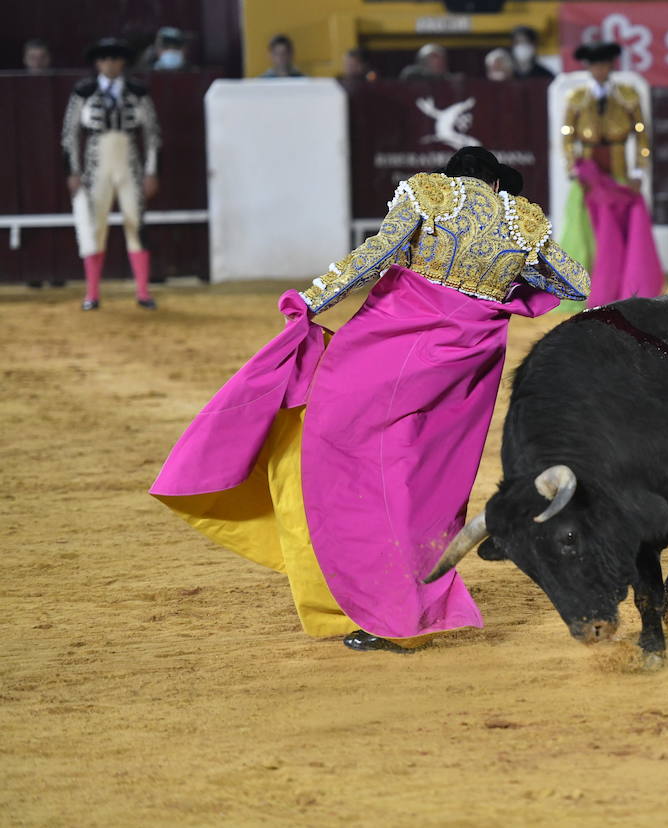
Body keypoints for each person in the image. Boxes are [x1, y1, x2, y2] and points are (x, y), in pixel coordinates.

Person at [150, 147, 590, 653]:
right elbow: (575, 282)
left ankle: (363, 590)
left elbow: (374, 256)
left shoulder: (431, 194)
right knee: (422, 482)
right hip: (461, 371)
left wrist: (310, 301)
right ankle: (402, 607)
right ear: (495, 183)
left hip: (394, 347)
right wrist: (507, 277)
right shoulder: (520, 220)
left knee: (341, 455)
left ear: (456, 176)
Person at [557, 41, 664, 309]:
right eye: (595, 65)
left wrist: (639, 170)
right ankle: (587, 289)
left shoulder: (628, 96)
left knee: (620, 235)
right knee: (586, 234)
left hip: (619, 175)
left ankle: (620, 288)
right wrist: (572, 167)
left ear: (611, 66)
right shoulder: (577, 98)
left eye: (604, 64)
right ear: (589, 67)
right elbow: (567, 135)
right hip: (589, 178)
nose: (599, 70)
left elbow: (642, 135)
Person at [61, 37, 162, 312]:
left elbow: (152, 135)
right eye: (104, 59)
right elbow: (69, 135)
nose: (110, 64)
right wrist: (73, 171)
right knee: (94, 229)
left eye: (115, 58)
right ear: (97, 63)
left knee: (136, 225)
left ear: (123, 63)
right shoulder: (83, 91)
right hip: (96, 167)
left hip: (130, 165)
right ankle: (92, 293)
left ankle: (143, 292)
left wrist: (151, 172)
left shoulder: (138, 91)